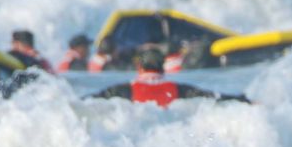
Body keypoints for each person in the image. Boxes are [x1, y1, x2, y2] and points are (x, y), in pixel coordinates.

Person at [88, 47, 247, 107]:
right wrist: (242, 99)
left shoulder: (123, 90)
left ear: (139, 67)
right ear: (163, 67)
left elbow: (91, 100)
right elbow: (212, 96)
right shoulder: (178, 89)